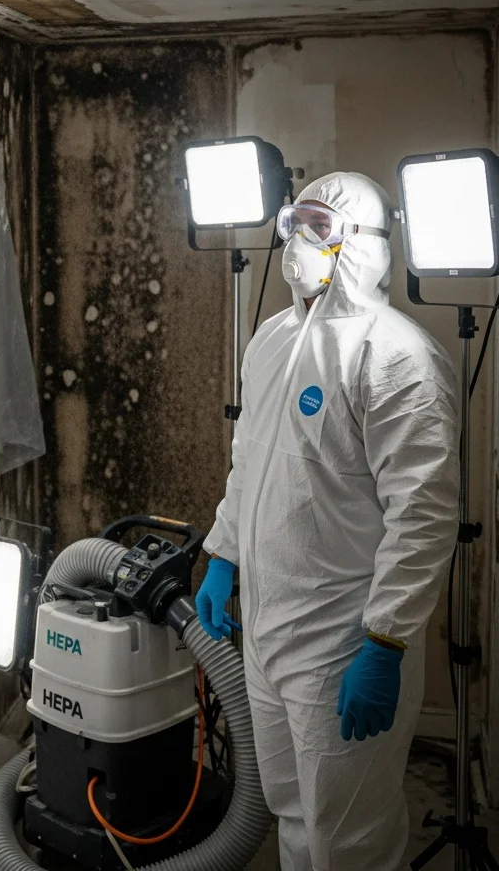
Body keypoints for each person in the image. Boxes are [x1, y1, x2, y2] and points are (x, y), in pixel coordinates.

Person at [195, 171, 460, 869]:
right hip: (270, 629)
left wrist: (386, 641)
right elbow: (248, 460)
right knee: (292, 817)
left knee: (352, 838)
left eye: (319, 227)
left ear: (364, 245)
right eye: (294, 223)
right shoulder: (272, 340)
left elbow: (424, 513)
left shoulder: (398, 357)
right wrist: (224, 555)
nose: (296, 242)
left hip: (343, 641)